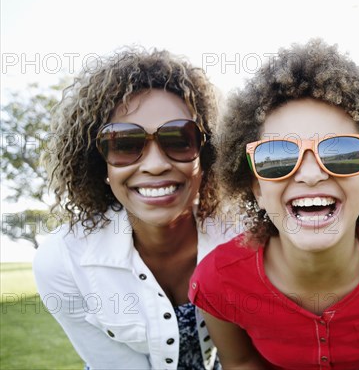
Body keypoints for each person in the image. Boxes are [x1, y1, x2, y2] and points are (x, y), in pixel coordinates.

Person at [188, 39, 359, 369]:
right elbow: (239, 363)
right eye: (278, 156)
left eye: (341, 152)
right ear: (256, 188)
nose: (310, 175)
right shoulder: (217, 282)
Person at [33, 47, 234, 370]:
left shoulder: (244, 239)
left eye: (179, 139)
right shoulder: (63, 262)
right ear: (100, 163)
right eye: (125, 144)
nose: (155, 165)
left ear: (206, 155)